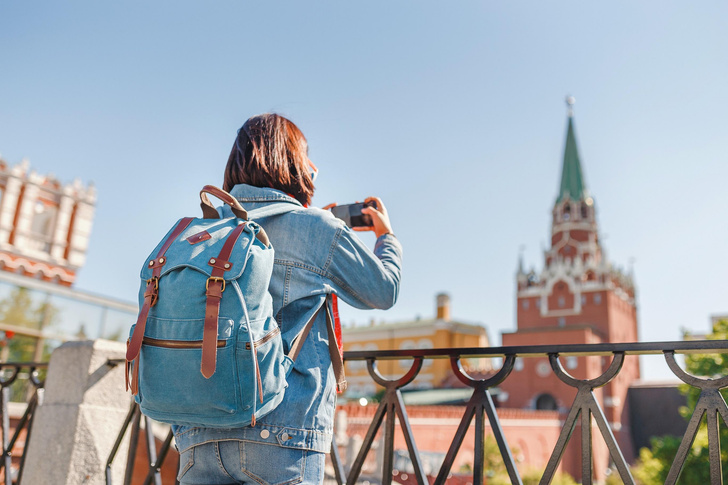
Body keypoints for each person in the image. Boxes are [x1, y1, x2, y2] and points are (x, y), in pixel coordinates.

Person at [173, 113, 403, 485]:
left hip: (197, 430)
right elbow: (383, 290)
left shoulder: (207, 229)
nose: (314, 166)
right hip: (282, 432)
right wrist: (386, 236)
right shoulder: (317, 228)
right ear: (290, 160)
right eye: (306, 154)